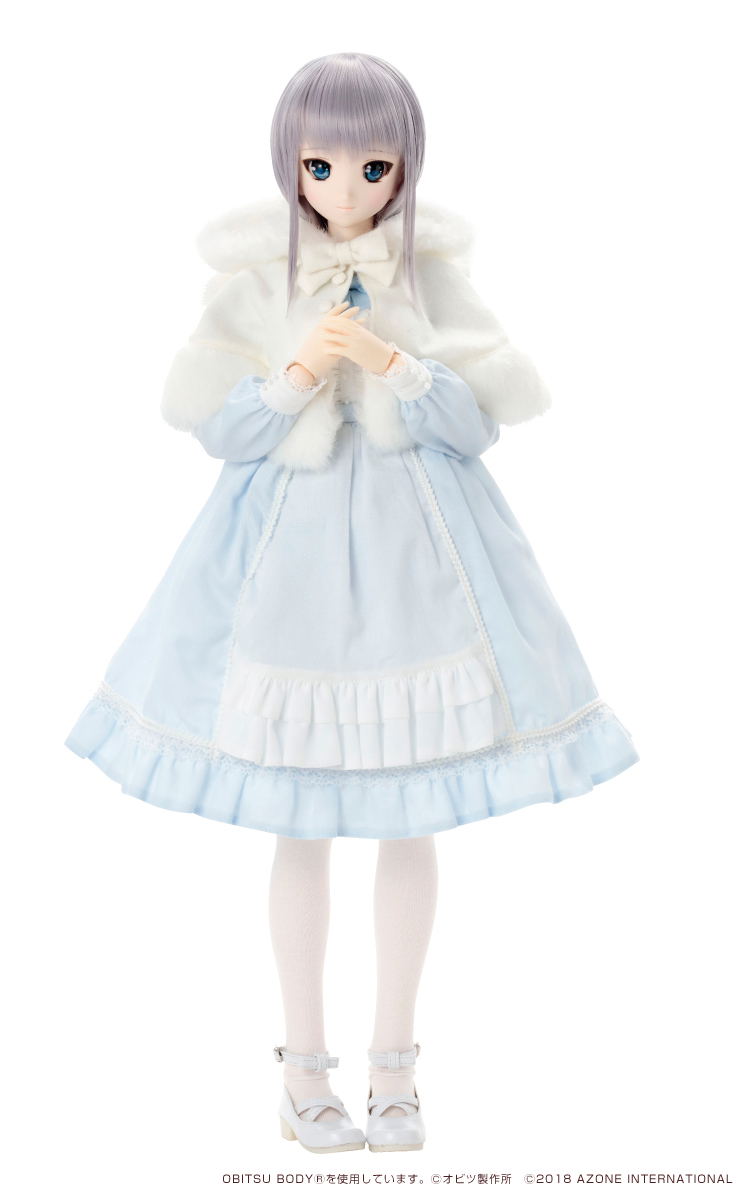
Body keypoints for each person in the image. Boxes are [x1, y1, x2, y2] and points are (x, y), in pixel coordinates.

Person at [64, 51, 639, 1153]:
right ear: (289, 163)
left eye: (373, 166)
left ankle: (395, 1069)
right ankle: (301, 1071)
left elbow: (477, 423)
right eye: (319, 164)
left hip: (421, 555)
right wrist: (292, 376)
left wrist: (391, 362)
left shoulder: (431, 273)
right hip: (287, 561)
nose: (344, 186)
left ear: (404, 167)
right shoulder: (251, 279)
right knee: (302, 815)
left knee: (408, 809)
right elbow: (220, 432)